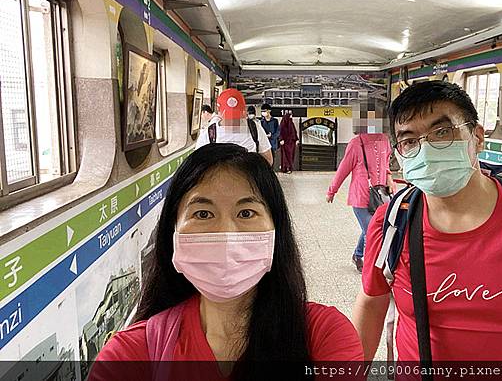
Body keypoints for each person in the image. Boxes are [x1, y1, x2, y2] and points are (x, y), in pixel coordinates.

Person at [353, 80, 502, 363]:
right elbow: (372, 304)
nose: (427, 150)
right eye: (409, 141)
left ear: (478, 137)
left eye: (442, 132)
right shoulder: (393, 223)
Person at [90, 144, 364, 380]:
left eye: (246, 213)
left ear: (276, 230)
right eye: (203, 214)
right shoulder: (131, 354)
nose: (227, 234)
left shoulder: (325, 335)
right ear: (172, 231)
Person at [326, 101, 395, 273]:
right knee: (372, 230)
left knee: (372, 228)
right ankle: (373, 264)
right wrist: (332, 190)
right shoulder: (356, 143)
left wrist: (390, 181)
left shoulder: (384, 140)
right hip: (361, 196)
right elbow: (344, 168)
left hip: (381, 194)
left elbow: (386, 165)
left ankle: (358, 254)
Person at [196, 89, 273, 165]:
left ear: (244, 111)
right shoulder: (208, 135)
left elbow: (268, 159)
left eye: (237, 116)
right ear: (218, 111)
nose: (233, 120)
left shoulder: (254, 129)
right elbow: (197, 164)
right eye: (229, 117)